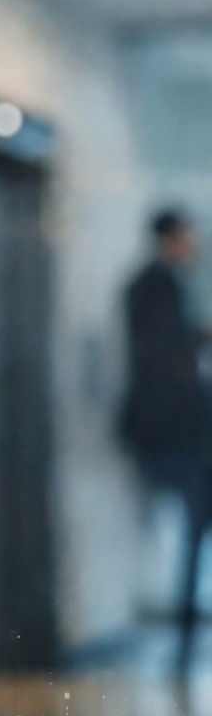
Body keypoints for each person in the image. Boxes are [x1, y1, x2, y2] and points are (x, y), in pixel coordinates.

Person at [120, 210, 211, 663]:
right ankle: (183, 621)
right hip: (166, 432)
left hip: (174, 431)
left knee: (194, 524)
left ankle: (186, 620)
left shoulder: (163, 284)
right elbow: (164, 354)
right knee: (188, 520)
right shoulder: (152, 285)